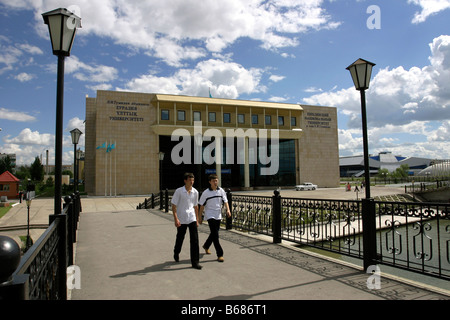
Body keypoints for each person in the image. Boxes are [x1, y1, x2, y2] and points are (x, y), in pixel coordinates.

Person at [171, 172, 202, 270]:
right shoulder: (179, 191)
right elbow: (174, 206)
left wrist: (197, 219)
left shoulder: (195, 192)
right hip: (182, 218)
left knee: (195, 240)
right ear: (185, 181)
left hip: (191, 218)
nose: (192, 182)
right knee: (180, 238)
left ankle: (195, 262)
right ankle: (176, 252)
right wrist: (176, 219)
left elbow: (196, 206)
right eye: (190, 180)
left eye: (193, 180)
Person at [199, 174, 231, 262]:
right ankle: (220, 254)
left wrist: (228, 210)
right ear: (210, 182)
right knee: (215, 234)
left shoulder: (221, 191)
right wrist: (199, 217)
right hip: (210, 215)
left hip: (218, 214)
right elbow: (201, 205)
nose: (215, 182)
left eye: (216, 180)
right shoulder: (206, 192)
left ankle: (206, 245)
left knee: (214, 233)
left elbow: (226, 201)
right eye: (213, 181)